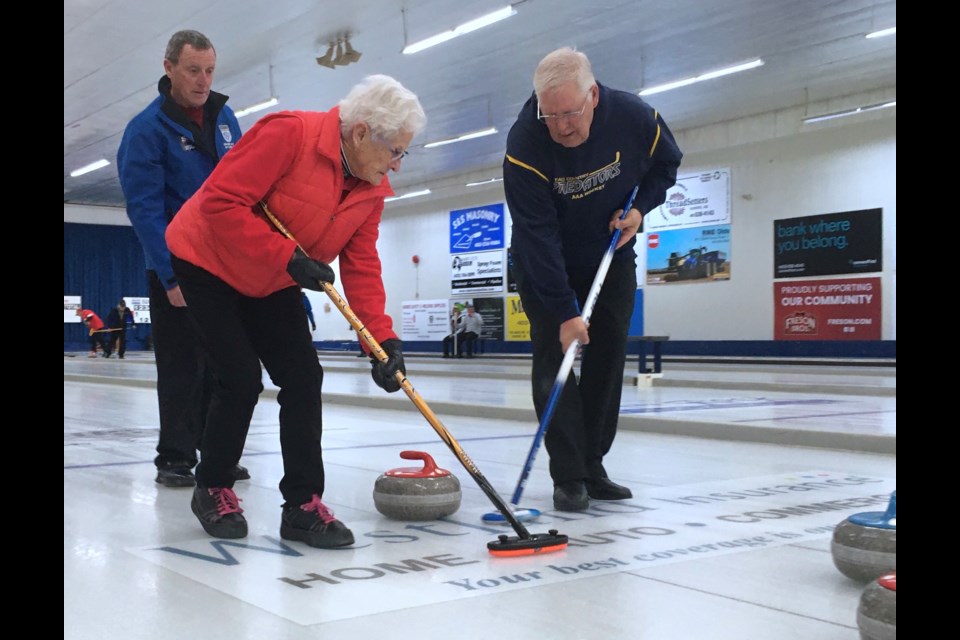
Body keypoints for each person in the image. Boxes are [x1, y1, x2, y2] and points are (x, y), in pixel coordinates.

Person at [164, 74, 426, 547]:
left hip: (274, 273)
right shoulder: (289, 134)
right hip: (209, 259)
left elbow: (362, 266)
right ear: (362, 132)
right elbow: (220, 203)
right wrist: (286, 257)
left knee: (304, 375)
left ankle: (303, 505)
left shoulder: (371, 187)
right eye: (395, 151)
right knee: (240, 376)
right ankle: (213, 486)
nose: (397, 165)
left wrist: (381, 342)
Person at [503, 47, 682, 512]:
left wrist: (640, 209)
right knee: (554, 355)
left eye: (571, 113)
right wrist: (565, 313)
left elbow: (666, 165)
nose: (562, 125)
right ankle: (568, 475)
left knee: (607, 357)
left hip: (610, 252)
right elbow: (536, 236)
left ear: (594, 96)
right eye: (552, 114)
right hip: (545, 262)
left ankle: (593, 464)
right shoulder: (525, 143)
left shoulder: (635, 117)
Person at [117, 30, 249, 488]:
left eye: (210, 70)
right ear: (169, 67)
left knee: (227, 364)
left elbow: (246, 186)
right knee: (181, 365)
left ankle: (219, 454)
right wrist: (170, 275)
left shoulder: (226, 118)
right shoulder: (146, 130)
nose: (203, 80)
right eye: (193, 70)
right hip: (178, 266)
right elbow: (146, 210)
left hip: (227, 266)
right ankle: (174, 456)